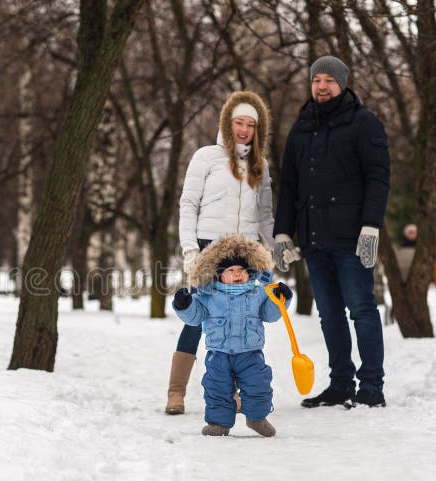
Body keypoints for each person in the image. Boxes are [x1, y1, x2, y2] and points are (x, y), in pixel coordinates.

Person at [272, 55, 390, 408]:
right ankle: (340, 382)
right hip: (314, 240)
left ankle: (371, 385)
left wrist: (371, 227)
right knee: (329, 314)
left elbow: (378, 178)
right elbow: (290, 184)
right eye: (316, 80)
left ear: (342, 84)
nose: (321, 86)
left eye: (329, 80)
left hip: (352, 239)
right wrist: (283, 234)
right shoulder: (302, 126)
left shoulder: (363, 123)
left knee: (362, 309)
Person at [165, 91, 276, 415]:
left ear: (258, 130)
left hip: (245, 253)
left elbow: (265, 213)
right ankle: (176, 391)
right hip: (209, 248)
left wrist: (278, 246)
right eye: (238, 123)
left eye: (250, 125)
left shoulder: (260, 165)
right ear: (227, 124)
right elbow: (188, 204)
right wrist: (190, 250)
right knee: (198, 318)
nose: (243, 130)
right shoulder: (206, 157)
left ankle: (240, 393)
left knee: (243, 317)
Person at [172, 235, 290, 436]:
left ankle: (256, 418)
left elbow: (270, 315)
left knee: (259, 385)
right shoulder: (208, 296)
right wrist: (184, 305)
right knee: (217, 389)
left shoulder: (258, 294)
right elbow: (195, 317)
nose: (237, 274)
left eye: (242, 270)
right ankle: (219, 424)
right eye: (231, 270)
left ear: (249, 273)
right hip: (219, 355)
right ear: (219, 275)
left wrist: (281, 299)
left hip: (250, 355)